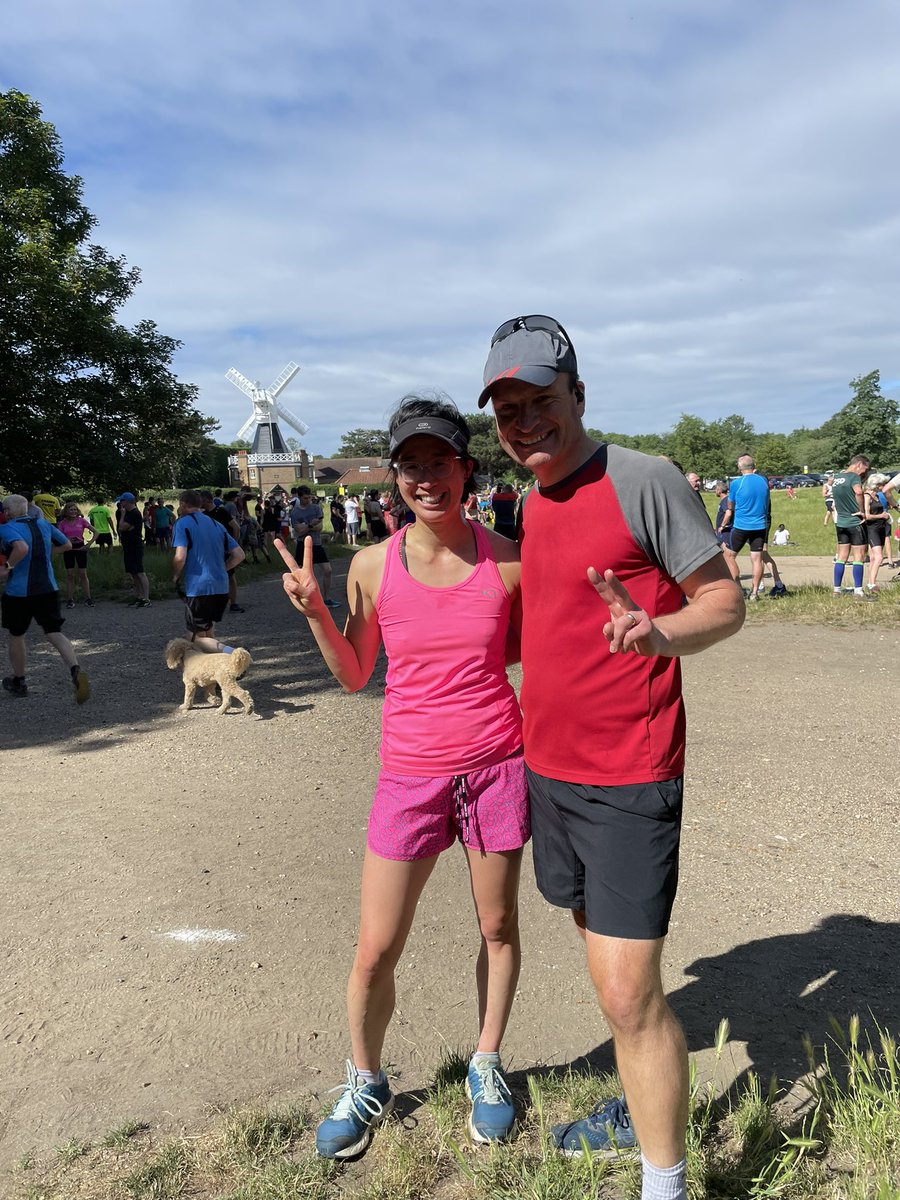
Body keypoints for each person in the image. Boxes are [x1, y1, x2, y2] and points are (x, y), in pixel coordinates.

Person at [477, 314, 744, 1200]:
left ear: (578, 395)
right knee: (611, 983)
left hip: (630, 776)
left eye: (540, 401)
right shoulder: (529, 501)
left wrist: (657, 631)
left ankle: (662, 1184)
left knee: (629, 996)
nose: (525, 423)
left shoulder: (645, 479)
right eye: (508, 410)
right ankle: (640, 1104)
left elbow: (724, 602)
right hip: (546, 772)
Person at [276, 395, 528, 1159]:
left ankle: (486, 1064)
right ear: (394, 478)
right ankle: (366, 1078)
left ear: (466, 468)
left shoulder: (511, 559)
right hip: (409, 778)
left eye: (440, 462)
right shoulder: (371, 566)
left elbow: (525, 658)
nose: (427, 478)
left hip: (495, 768)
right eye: (411, 465)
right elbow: (356, 675)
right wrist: (318, 612)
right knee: (376, 948)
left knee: (497, 927)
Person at [0, 495, 90, 702]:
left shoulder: (6, 528)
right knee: (54, 632)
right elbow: (67, 545)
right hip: (48, 589)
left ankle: (19, 681)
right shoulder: (43, 524)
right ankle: (76, 671)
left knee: (16, 635)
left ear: (7, 511)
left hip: (18, 592)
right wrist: (46, 553)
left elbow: (21, 548)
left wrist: (7, 567)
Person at [171, 490, 245, 652]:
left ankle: (232, 654)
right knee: (207, 631)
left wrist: (175, 576)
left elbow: (180, 557)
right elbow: (239, 555)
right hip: (221, 586)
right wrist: (222, 568)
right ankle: (212, 670)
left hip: (199, 587)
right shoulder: (216, 524)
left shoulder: (182, 524)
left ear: (183, 504)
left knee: (196, 638)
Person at [719, 455, 788, 600]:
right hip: (760, 525)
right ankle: (755, 592)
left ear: (739, 467)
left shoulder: (737, 483)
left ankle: (737, 588)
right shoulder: (763, 481)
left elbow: (731, 504)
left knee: (729, 556)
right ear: (753, 465)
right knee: (757, 559)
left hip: (741, 526)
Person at [290, 487, 339, 609]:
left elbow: (320, 527)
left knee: (327, 570)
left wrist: (306, 527)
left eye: (309, 497)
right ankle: (304, 598)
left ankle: (327, 598)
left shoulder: (316, 508)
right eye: (305, 498)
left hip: (316, 543)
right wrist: (311, 524)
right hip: (302, 545)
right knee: (303, 574)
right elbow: (299, 531)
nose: (308, 500)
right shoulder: (295, 512)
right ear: (300, 497)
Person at [199, 490, 245, 613]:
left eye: (200, 500)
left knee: (229, 575)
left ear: (207, 500)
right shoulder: (203, 515)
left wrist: (233, 546)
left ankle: (233, 603)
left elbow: (235, 527)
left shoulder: (222, 512)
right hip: (210, 551)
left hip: (224, 549)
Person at [831, 456, 870, 598]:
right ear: (859, 464)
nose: (864, 473)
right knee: (859, 556)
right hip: (855, 521)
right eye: (865, 469)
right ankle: (858, 590)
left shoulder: (837, 478)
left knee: (841, 556)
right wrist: (862, 511)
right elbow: (858, 492)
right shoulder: (853, 477)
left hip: (841, 522)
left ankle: (837, 589)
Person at [57, 501, 98, 608]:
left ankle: (88, 598)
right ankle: (70, 599)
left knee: (83, 574)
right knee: (70, 575)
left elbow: (96, 532)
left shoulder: (81, 521)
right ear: (66, 511)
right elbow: (57, 537)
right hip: (69, 549)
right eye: (71, 509)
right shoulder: (62, 523)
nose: (74, 511)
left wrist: (88, 544)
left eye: (75, 509)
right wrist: (66, 539)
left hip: (80, 549)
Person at [117, 492, 150, 607]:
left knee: (140, 572)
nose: (121, 503)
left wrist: (122, 516)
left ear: (127, 501)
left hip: (135, 545)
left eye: (122, 501)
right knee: (133, 573)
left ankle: (146, 598)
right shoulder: (128, 513)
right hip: (128, 546)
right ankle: (139, 596)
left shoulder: (133, 514)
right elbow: (124, 528)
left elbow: (121, 527)